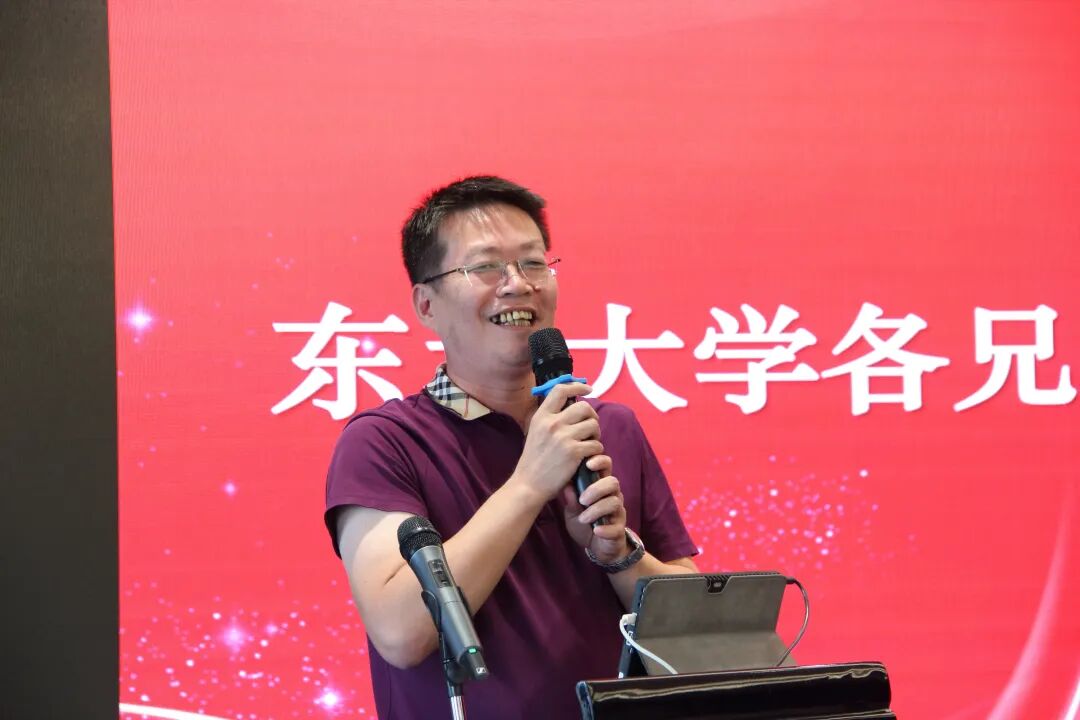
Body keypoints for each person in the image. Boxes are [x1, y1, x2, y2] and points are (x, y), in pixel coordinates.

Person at [325, 175, 698, 719]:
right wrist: (528, 485)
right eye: (485, 267)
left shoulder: (608, 427)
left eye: (533, 263)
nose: (518, 285)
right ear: (426, 304)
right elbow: (401, 632)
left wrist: (619, 555)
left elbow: (698, 637)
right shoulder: (384, 442)